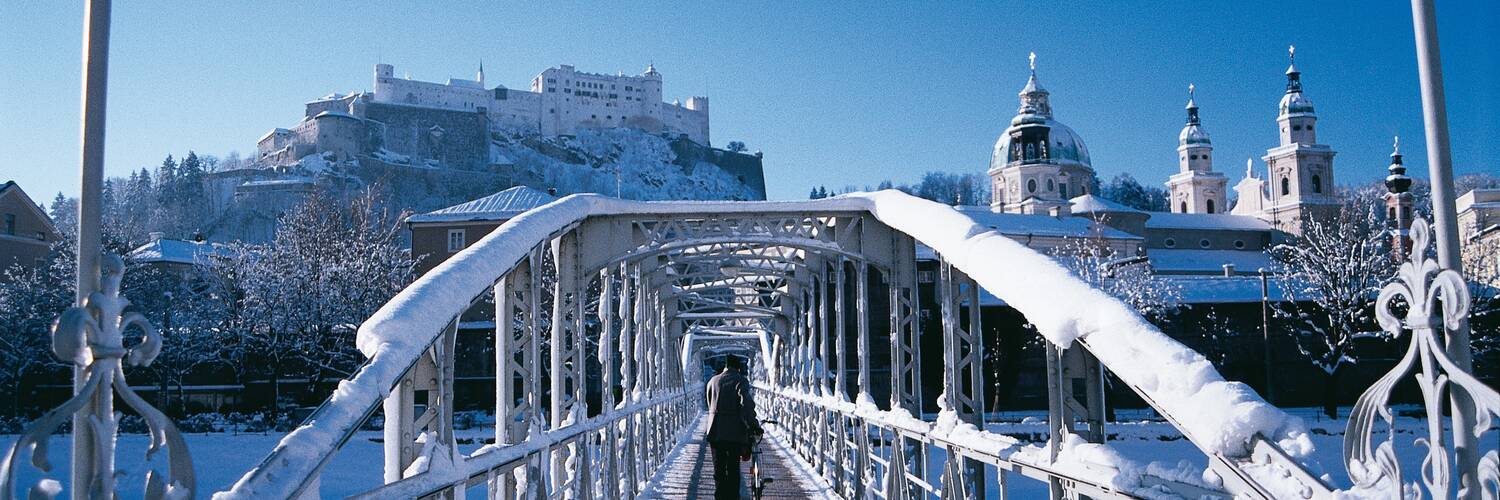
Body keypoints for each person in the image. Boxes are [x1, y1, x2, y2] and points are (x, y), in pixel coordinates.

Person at [704, 355, 761, 499]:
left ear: (725, 366)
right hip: (734, 433)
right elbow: (746, 406)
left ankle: (720, 497)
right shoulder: (740, 381)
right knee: (733, 470)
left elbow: (709, 403)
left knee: (719, 471)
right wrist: (753, 425)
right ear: (738, 367)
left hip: (715, 431)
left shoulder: (712, 381)